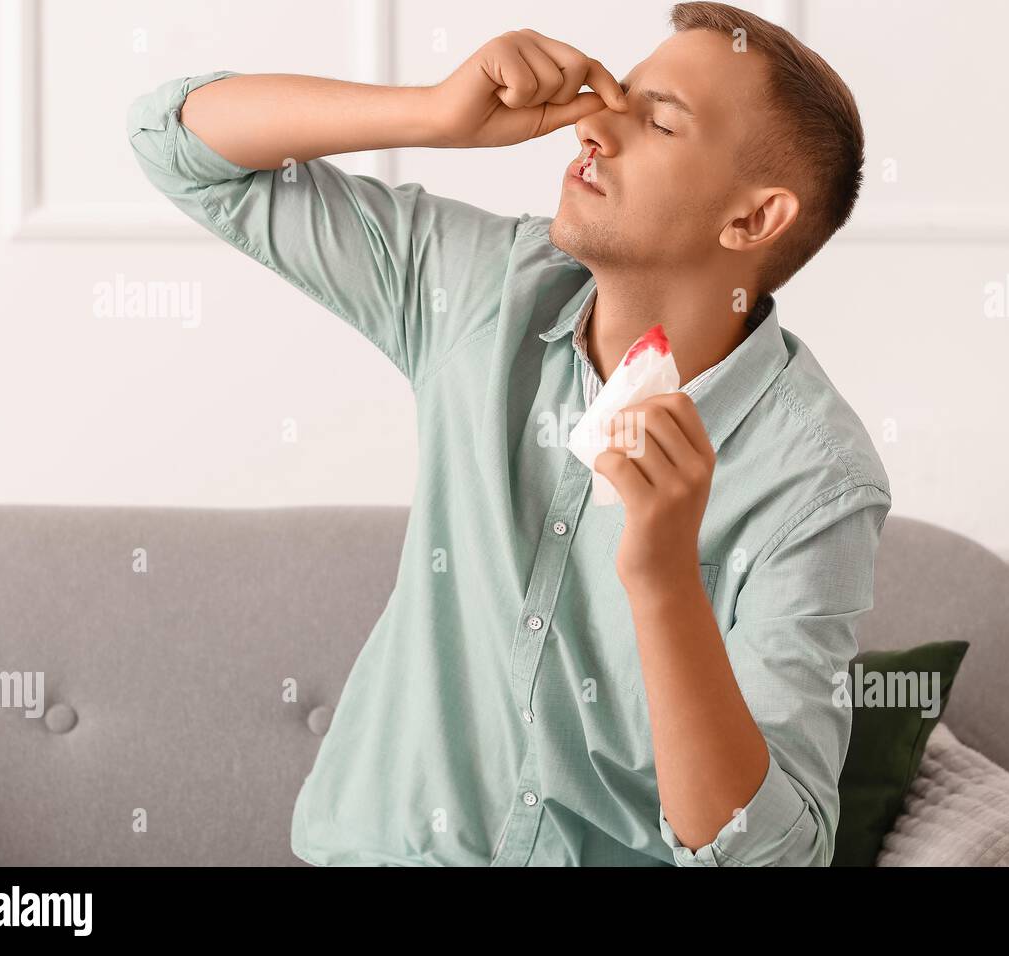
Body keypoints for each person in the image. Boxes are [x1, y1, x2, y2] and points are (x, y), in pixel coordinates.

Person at [127, 1, 892, 866]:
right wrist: (429, 112)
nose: (595, 123)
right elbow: (178, 146)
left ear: (752, 221)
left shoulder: (817, 481)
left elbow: (775, 855)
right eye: (620, 94)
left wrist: (665, 578)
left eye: (659, 120)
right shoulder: (479, 289)